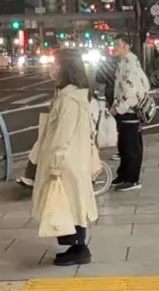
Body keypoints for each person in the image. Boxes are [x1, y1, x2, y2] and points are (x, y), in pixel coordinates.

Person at [31, 49, 100, 266]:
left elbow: (63, 134)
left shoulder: (70, 98)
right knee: (71, 204)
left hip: (68, 162)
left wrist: (55, 164)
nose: (52, 68)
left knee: (70, 205)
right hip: (73, 160)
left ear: (66, 68)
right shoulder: (72, 94)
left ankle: (79, 248)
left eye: (56, 64)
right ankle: (76, 247)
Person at [109, 33, 150, 191]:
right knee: (124, 144)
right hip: (124, 110)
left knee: (131, 145)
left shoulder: (131, 64)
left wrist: (119, 107)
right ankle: (124, 175)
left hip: (130, 110)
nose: (115, 48)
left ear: (126, 46)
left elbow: (133, 91)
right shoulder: (124, 62)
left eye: (117, 45)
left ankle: (132, 179)